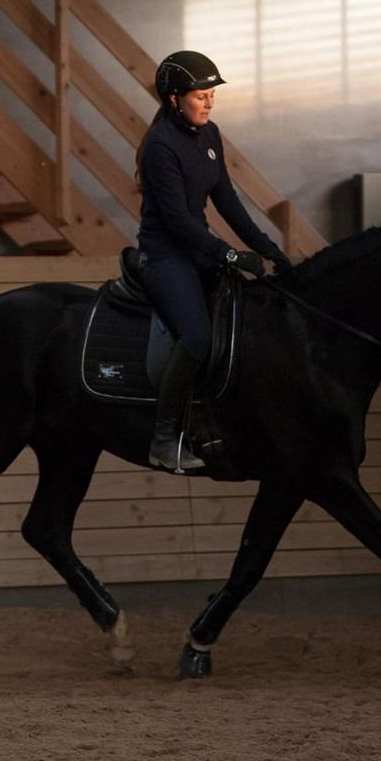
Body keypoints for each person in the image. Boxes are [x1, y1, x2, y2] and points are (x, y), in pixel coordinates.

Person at [136, 50, 292, 472]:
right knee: (198, 338)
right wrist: (228, 254)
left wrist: (268, 248)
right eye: (201, 95)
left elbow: (227, 201)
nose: (208, 102)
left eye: (211, 95)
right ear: (173, 100)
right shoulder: (160, 147)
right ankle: (164, 439)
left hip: (198, 251)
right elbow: (179, 222)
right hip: (166, 256)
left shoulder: (210, 135)